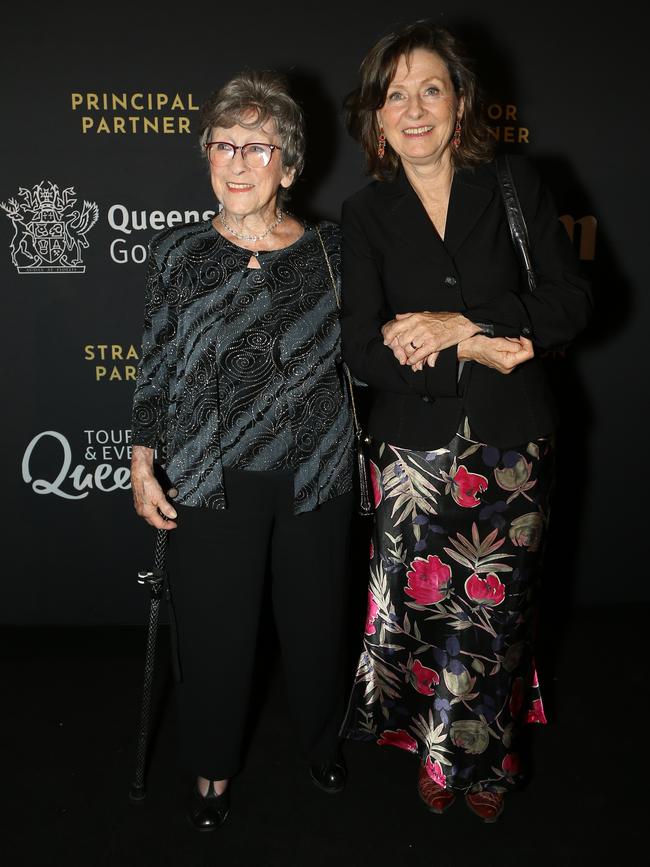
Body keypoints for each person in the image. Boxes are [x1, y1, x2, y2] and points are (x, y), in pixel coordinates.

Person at [338, 20, 592, 823]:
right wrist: (463, 354)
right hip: (413, 454)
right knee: (422, 613)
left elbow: (572, 301)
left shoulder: (517, 182)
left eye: (431, 90)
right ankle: (433, 747)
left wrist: (463, 324)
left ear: (461, 102)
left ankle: (489, 758)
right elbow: (359, 348)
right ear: (377, 118)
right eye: (395, 95)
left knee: (499, 614)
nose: (414, 109)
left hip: (513, 445)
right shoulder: (364, 211)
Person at [130, 70, 354, 831]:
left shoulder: (333, 253)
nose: (237, 161)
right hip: (207, 477)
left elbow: (372, 351)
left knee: (319, 626)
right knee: (217, 633)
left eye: (258, 148)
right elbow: (155, 363)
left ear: (289, 167)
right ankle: (212, 765)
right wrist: (141, 460)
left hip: (315, 476)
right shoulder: (177, 255)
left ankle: (324, 742)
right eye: (224, 144)